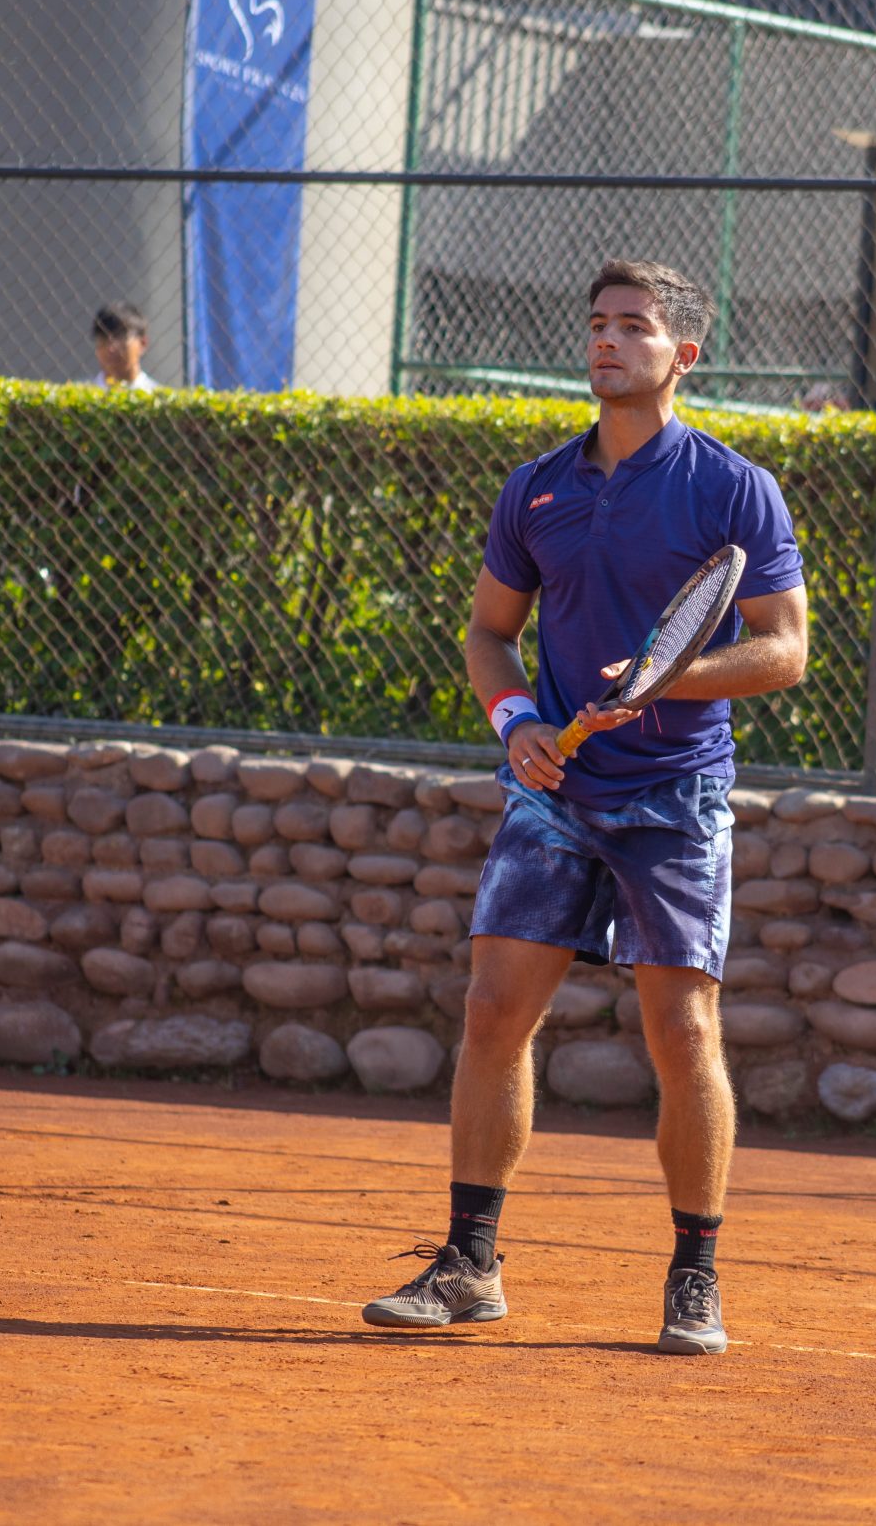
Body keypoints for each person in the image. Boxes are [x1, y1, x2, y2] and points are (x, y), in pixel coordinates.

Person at [360, 258, 809, 1356]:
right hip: (552, 791)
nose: (608, 340)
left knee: (682, 1030)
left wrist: (665, 684)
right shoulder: (537, 488)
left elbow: (784, 649)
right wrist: (517, 720)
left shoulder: (734, 488)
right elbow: (489, 633)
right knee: (492, 1013)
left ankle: (694, 1275)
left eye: (635, 326)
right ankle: (469, 1265)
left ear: (682, 355)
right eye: (599, 323)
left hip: (676, 794)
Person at [90, 302, 160, 389]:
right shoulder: (80, 394)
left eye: (120, 337)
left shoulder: (155, 395)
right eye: (103, 339)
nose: (111, 348)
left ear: (142, 343)